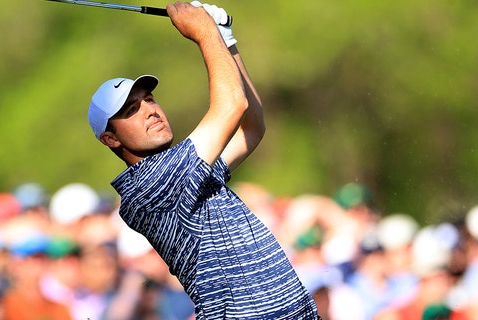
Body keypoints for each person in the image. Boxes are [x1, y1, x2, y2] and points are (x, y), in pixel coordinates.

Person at [87, 2, 318, 318]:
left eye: (149, 100)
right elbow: (231, 105)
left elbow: (252, 128)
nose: (149, 110)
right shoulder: (150, 187)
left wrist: (227, 40)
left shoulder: (187, 169)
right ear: (111, 139)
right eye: (131, 111)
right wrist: (205, 31)